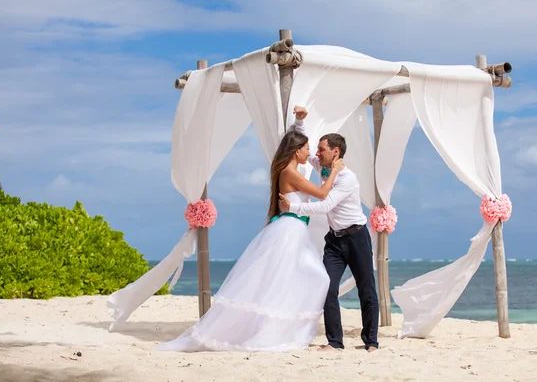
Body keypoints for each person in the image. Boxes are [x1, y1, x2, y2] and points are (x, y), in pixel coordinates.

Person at [157, 118, 344, 353]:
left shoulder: (293, 170)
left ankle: (283, 329)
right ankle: (274, 331)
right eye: (306, 148)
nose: (310, 152)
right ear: (296, 152)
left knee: (296, 280)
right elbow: (322, 194)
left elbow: (301, 158)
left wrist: (299, 123)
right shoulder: (290, 172)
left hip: (294, 231)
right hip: (289, 232)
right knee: (298, 280)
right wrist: (335, 171)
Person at [279, 105, 379, 352]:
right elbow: (299, 148)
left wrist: (293, 208)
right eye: (317, 150)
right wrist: (300, 121)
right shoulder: (322, 165)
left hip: (357, 237)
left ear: (335, 153)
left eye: (322, 150)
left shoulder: (348, 179)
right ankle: (335, 342)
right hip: (334, 241)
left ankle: (371, 341)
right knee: (327, 288)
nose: (316, 153)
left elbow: (326, 205)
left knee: (366, 290)